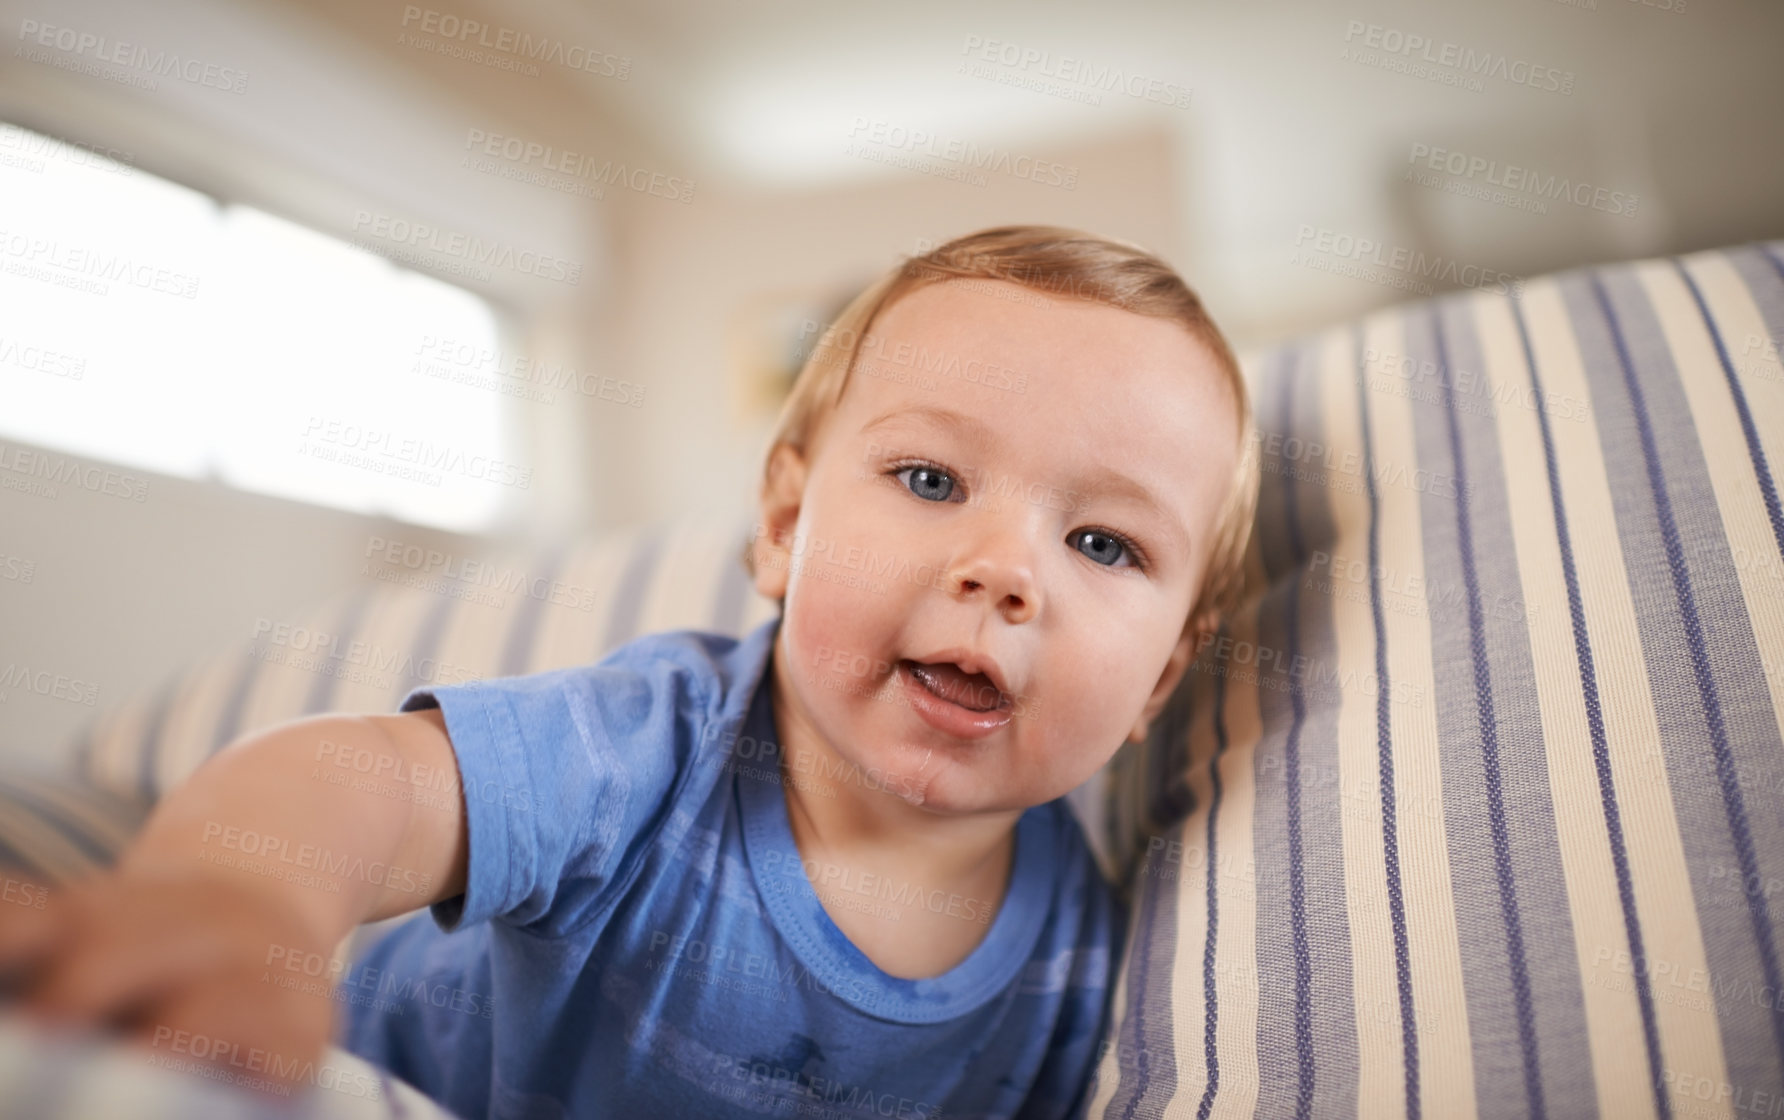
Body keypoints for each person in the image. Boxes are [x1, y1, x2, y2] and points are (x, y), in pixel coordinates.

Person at [0, 225, 1259, 1118]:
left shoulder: (1086, 964)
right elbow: (366, 781)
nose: (1004, 571)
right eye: (930, 479)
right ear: (781, 526)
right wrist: (244, 904)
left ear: (1161, 676)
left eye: (1102, 541)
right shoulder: (651, 748)